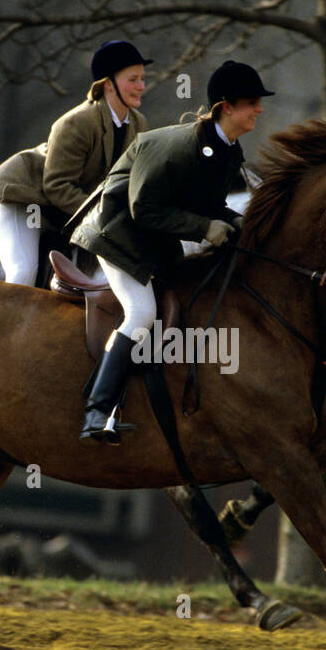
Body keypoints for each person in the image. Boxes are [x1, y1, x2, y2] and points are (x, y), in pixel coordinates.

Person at [71, 60, 275, 444]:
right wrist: (204, 228)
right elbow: (142, 209)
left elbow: (209, 204)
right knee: (142, 312)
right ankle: (97, 412)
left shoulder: (228, 150)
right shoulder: (176, 147)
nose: (259, 110)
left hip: (153, 241)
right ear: (226, 107)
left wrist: (238, 224)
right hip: (116, 236)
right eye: (252, 102)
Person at [0, 41, 152, 285]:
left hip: (66, 214)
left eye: (142, 79)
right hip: (27, 203)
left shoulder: (138, 123)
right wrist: (105, 217)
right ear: (107, 84)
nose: (141, 86)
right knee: (23, 274)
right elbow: (57, 186)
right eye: (133, 80)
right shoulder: (76, 122)